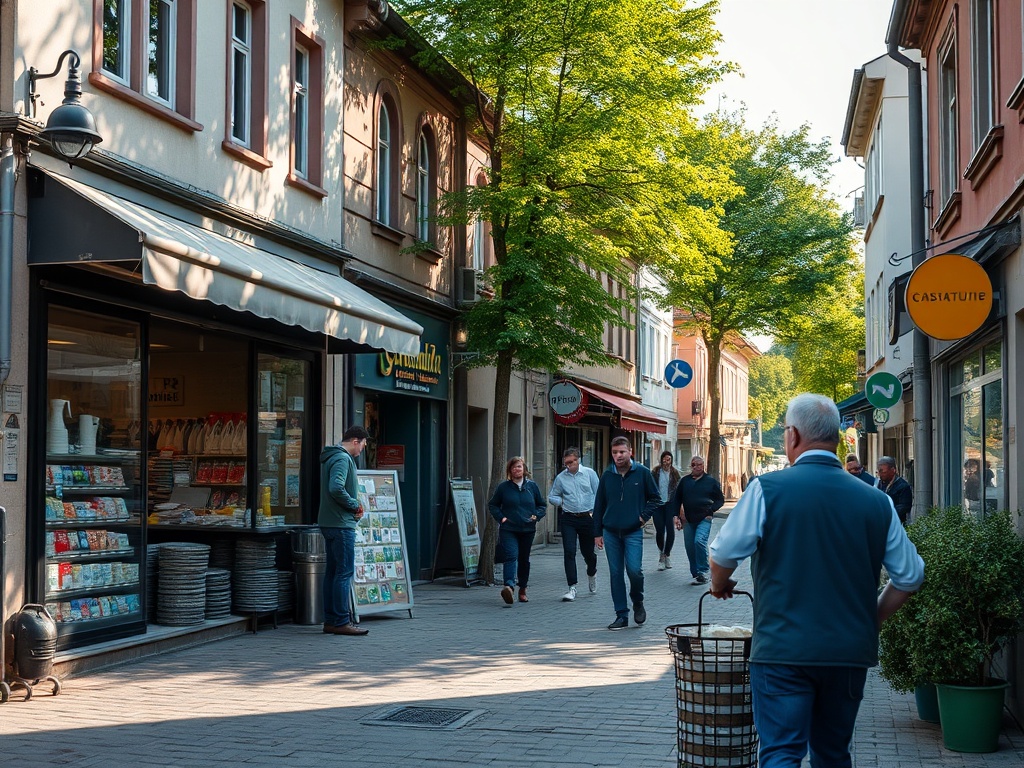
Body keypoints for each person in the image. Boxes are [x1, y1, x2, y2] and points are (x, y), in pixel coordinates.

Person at [708, 394, 924, 768]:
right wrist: (869, 619)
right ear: (838, 439)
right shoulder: (876, 501)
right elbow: (910, 576)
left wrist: (719, 584)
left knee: (781, 753)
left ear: (791, 436)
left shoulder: (767, 489)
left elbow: (723, 555)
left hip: (781, 650)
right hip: (847, 652)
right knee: (833, 754)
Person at [593, 436, 662, 630]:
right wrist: (597, 532)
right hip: (611, 532)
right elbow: (599, 505)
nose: (618, 456)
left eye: (622, 452)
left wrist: (642, 517)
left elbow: (656, 499)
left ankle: (637, 601)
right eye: (615, 452)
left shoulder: (642, 473)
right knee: (616, 573)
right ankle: (621, 615)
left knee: (634, 571)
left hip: (633, 531)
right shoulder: (607, 475)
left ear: (630, 451)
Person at [318, 426, 370, 636]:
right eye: (364, 444)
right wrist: (354, 505)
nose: (363, 450)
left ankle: (331, 620)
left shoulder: (331, 457)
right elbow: (336, 487)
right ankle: (341, 621)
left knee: (332, 573)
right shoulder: (342, 459)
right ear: (356, 441)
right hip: (341, 524)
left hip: (329, 522)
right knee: (343, 573)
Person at [488, 456, 546, 605]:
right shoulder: (504, 488)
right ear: (510, 471)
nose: (516, 469)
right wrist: (501, 518)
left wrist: (536, 516)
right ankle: (509, 586)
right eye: (513, 467)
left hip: (527, 529)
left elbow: (542, 505)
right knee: (511, 555)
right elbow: (493, 505)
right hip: (509, 528)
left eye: (519, 466)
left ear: (524, 469)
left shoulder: (532, 487)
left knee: (524, 559)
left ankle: (523, 589)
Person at [547, 447, 600, 602]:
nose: (569, 465)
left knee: (588, 553)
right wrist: (561, 501)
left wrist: (597, 516)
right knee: (569, 551)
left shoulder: (590, 474)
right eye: (566, 463)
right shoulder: (561, 478)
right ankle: (572, 587)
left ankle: (592, 572)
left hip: (587, 517)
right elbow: (552, 496)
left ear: (579, 460)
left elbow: (599, 494)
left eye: (571, 462)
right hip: (569, 518)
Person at [671, 455, 724, 585]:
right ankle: (696, 573)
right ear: (691, 466)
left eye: (699, 465)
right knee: (690, 547)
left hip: (704, 518)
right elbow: (677, 499)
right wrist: (676, 516)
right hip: (688, 519)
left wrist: (711, 510)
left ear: (703, 466)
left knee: (699, 541)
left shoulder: (710, 481)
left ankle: (703, 571)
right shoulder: (685, 481)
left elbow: (720, 500)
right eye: (694, 464)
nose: (696, 467)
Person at [651, 451, 681, 571]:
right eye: (664, 459)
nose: (666, 462)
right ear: (661, 459)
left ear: (671, 461)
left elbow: (679, 490)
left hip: (670, 505)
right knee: (659, 531)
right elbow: (649, 486)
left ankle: (666, 554)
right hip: (657, 505)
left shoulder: (675, 473)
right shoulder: (655, 472)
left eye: (668, 459)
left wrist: (679, 507)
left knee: (670, 531)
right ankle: (661, 554)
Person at [876, 456, 913, 524]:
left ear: (893, 470)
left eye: (883, 472)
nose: (880, 475)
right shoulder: (879, 484)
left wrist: (886, 511)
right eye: (878, 472)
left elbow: (904, 507)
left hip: (897, 523)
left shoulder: (903, 486)